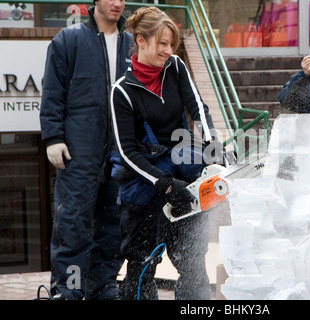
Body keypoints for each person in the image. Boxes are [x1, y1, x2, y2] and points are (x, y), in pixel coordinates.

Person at [110, 6, 221, 300]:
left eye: (170, 43)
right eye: (161, 43)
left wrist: (213, 149)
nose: (167, 50)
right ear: (141, 40)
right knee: (143, 267)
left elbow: (197, 108)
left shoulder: (175, 67)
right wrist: (165, 184)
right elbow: (127, 151)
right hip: (146, 188)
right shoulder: (122, 91)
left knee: (193, 264)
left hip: (185, 180)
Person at [39, 0, 132, 300]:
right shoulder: (68, 40)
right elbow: (53, 92)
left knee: (114, 222)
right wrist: (53, 137)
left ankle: (104, 285)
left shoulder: (133, 43)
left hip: (121, 150)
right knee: (74, 221)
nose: (117, 3)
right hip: (80, 149)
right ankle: (68, 289)